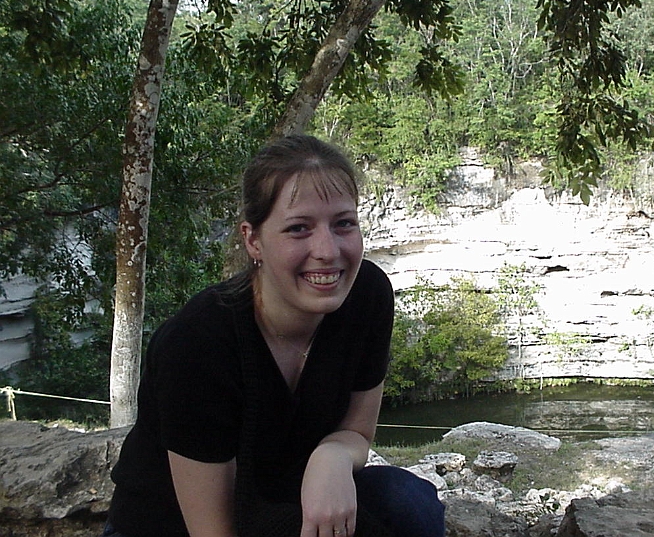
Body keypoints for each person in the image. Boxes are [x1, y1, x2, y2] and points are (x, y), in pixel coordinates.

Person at [104, 134, 445, 537]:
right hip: (174, 526)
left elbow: (357, 431)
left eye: (344, 224)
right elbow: (214, 531)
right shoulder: (197, 343)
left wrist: (332, 455)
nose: (328, 250)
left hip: (285, 499)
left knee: (408, 502)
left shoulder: (366, 296)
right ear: (253, 240)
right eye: (299, 228)